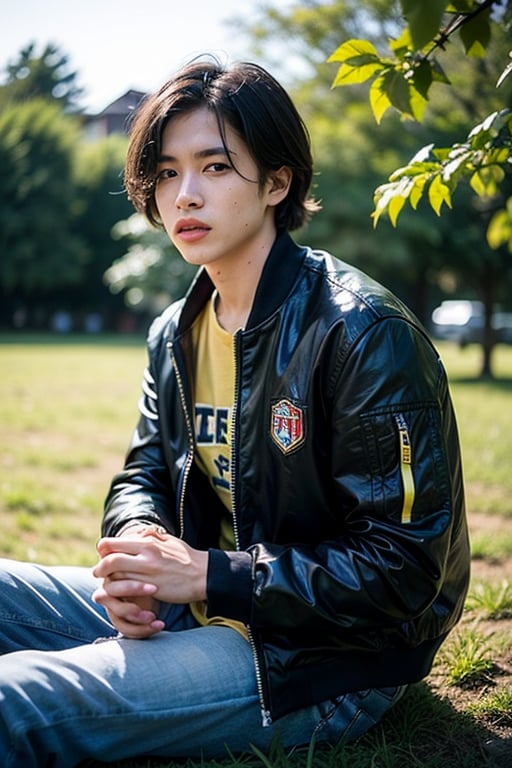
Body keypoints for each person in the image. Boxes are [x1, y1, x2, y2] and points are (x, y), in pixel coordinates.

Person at [0, 56, 470, 767]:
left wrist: (213, 577)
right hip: (197, 604)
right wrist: (140, 551)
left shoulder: (361, 332)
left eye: (215, 168)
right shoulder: (175, 330)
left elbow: (401, 574)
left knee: (15, 696)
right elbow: (146, 469)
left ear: (277, 182)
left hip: (327, 660)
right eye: (165, 172)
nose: (183, 195)